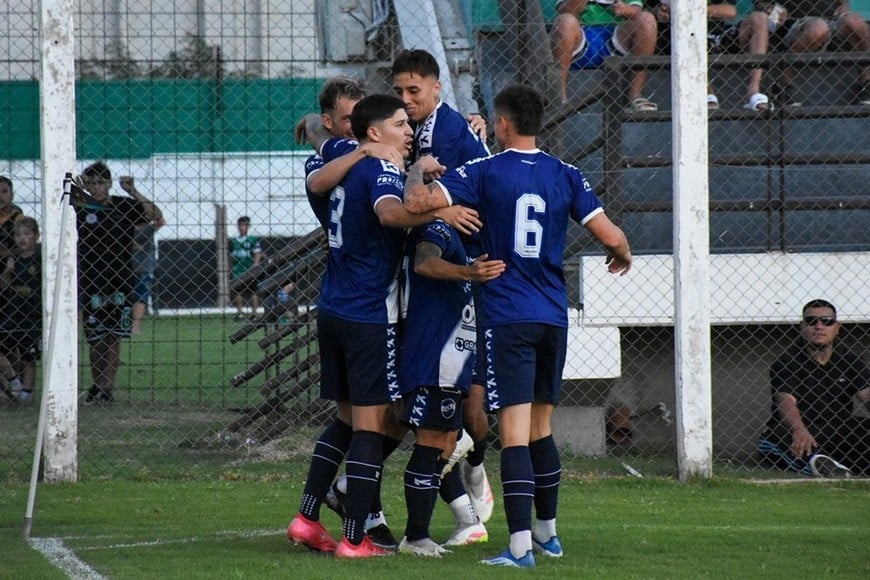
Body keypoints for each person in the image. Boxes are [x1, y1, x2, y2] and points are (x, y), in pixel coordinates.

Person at [404, 84, 633, 567]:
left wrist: (419, 172)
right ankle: (548, 535)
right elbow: (613, 235)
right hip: (552, 314)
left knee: (513, 433)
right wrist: (621, 256)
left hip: (508, 316)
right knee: (541, 429)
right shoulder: (566, 173)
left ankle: (519, 548)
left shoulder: (484, 170)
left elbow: (417, 203)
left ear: (503, 124)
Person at [287, 93, 480, 559]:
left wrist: (320, 124)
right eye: (399, 123)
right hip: (369, 314)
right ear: (374, 132)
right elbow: (391, 212)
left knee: (345, 421)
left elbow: (317, 133)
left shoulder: (341, 152)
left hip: (332, 307)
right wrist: (441, 210)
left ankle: (307, 517)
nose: (409, 129)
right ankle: (356, 539)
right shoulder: (382, 171)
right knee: (371, 429)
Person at [391, 47, 496, 543]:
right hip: (444, 273)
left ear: (436, 88)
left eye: (414, 90)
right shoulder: (424, 129)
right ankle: (465, 513)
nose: (406, 99)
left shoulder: (444, 133)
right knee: (437, 410)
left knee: (464, 409)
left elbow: (424, 196)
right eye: (399, 92)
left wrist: (441, 209)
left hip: (467, 270)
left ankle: (474, 460)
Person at [396, 220, 505, 557]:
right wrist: (470, 272)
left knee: (444, 442)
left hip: (454, 355)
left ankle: (449, 525)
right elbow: (424, 261)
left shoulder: (465, 234)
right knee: (431, 443)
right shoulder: (437, 229)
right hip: (434, 355)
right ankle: (416, 537)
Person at [77, 162, 158, 404]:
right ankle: (97, 383)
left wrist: (133, 191)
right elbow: (62, 209)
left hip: (120, 282)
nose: (96, 189)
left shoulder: (123, 205)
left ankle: (107, 388)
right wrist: (76, 190)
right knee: (95, 338)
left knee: (113, 336)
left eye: (100, 183)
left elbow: (154, 215)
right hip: (91, 282)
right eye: (91, 184)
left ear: (110, 183)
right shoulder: (82, 207)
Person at [758, 299, 869, 477]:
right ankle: (823, 467)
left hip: (838, 429)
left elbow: (866, 394)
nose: (819, 326)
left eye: (826, 321)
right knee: (780, 438)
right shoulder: (788, 361)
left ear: (837, 327)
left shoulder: (850, 360)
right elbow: (785, 402)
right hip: (800, 429)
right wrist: (799, 430)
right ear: (802, 327)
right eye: (811, 321)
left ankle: (839, 465)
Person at [650, 1, 774, 111]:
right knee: (686, 28)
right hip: (685, 36)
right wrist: (660, 12)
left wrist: (686, 9)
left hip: (723, 36)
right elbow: (654, 10)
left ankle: (753, 91)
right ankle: (706, 91)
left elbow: (731, 11)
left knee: (760, 18)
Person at [551, 0, 659, 111]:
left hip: (618, 35)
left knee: (647, 19)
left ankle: (635, 95)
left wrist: (626, 10)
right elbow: (565, 11)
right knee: (565, 21)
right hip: (579, 34)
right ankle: (560, 100)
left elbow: (637, 12)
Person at [772, 1, 870, 106]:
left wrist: (844, 4)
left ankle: (866, 83)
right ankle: (782, 86)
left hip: (834, 19)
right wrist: (774, 10)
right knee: (818, 27)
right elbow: (764, 5)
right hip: (799, 21)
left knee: (854, 21)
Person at [0, 216, 41, 403]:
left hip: (33, 314)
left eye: (26, 234)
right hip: (14, 312)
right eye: (18, 235)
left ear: (36, 236)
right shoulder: (14, 258)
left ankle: (27, 392)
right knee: (6, 346)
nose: (22, 238)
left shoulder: (41, 258)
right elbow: (4, 285)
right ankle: (14, 382)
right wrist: (8, 271)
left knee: (28, 355)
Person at [119, 176, 165, 334]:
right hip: (126, 264)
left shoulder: (146, 227)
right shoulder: (125, 226)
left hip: (142, 265)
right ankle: (128, 325)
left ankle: (135, 327)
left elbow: (158, 216)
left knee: (141, 294)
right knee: (130, 295)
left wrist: (134, 192)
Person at [228, 216, 263, 321]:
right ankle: (240, 313)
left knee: (253, 291)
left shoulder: (253, 240)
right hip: (238, 270)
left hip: (249, 269)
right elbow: (231, 256)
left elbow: (257, 253)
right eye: (240, 225)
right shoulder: (234, 241)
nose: (242, 227)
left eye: (244, 225)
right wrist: (231, 267)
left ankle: (254, 313)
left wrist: (255, 266)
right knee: (236, 290)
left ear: (248, 226)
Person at [0, 175, 24, 262]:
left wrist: (7, 253)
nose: (0, 196)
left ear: (12, 195)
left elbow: (26, 247)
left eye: (4, 191)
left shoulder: (18, 218)